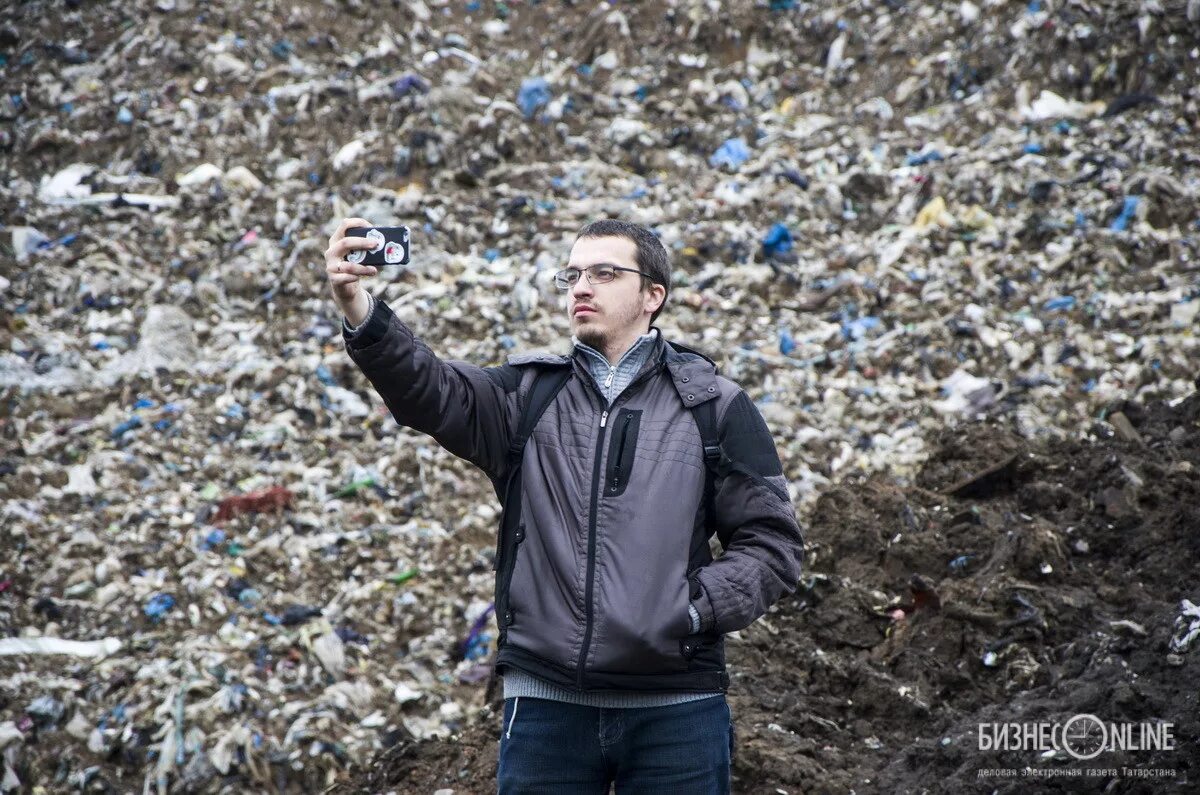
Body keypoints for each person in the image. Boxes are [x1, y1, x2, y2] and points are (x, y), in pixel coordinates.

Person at [328, 217, 805, 794]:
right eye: (573, 274)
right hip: (547, 710)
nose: (582, 286)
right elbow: (431, 389)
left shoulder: (713, 408)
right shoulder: (527, 396)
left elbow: (772, 545)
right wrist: (360, 308)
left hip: (676, 709)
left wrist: (690, 611)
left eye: (605, 273)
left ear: (653, 295)